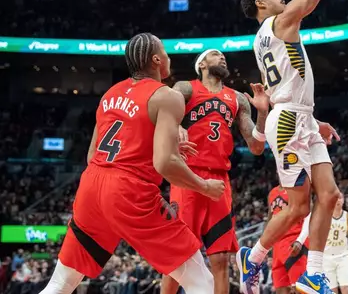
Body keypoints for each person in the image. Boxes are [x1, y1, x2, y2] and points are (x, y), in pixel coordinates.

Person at [38, 33, 225, 294]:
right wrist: (204, 186)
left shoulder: (109, 94)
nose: (169, 58)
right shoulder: (167, 96)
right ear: (157, 59)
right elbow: (165, 163)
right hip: (129, 191)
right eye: (166, 53)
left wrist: (158, 145)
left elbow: (93, 155)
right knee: (202, 283)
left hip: (91, 186)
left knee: (61, 284)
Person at [236, 0, 348, 293]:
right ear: (261, 5)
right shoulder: (278, 22)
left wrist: (312, 117)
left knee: (331, 195)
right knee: (298, 207)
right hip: (288, 121)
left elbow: (281, 87)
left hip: (298, 117)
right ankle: (252, 257)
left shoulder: (263, 39)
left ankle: (315, 272)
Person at [160, 49, 268, 294]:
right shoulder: (186, 88)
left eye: (223, 56)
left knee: (221, 260)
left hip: (220, 181)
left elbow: (257, 146)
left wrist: (262, 112)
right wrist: (176, 124)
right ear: (202, 64)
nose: (222, 58)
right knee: (179, 256)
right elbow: (164, 108)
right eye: (216, 55)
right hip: (187, 176)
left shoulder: (237, 99)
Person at [268, 185, 311, 294]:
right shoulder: (272, 192)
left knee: (301, 289)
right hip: (277, 247)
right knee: (281, 290)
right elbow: (270, 220)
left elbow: (308, 215)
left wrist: (300, 241)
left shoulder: (299, 188)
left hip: (294, 243)